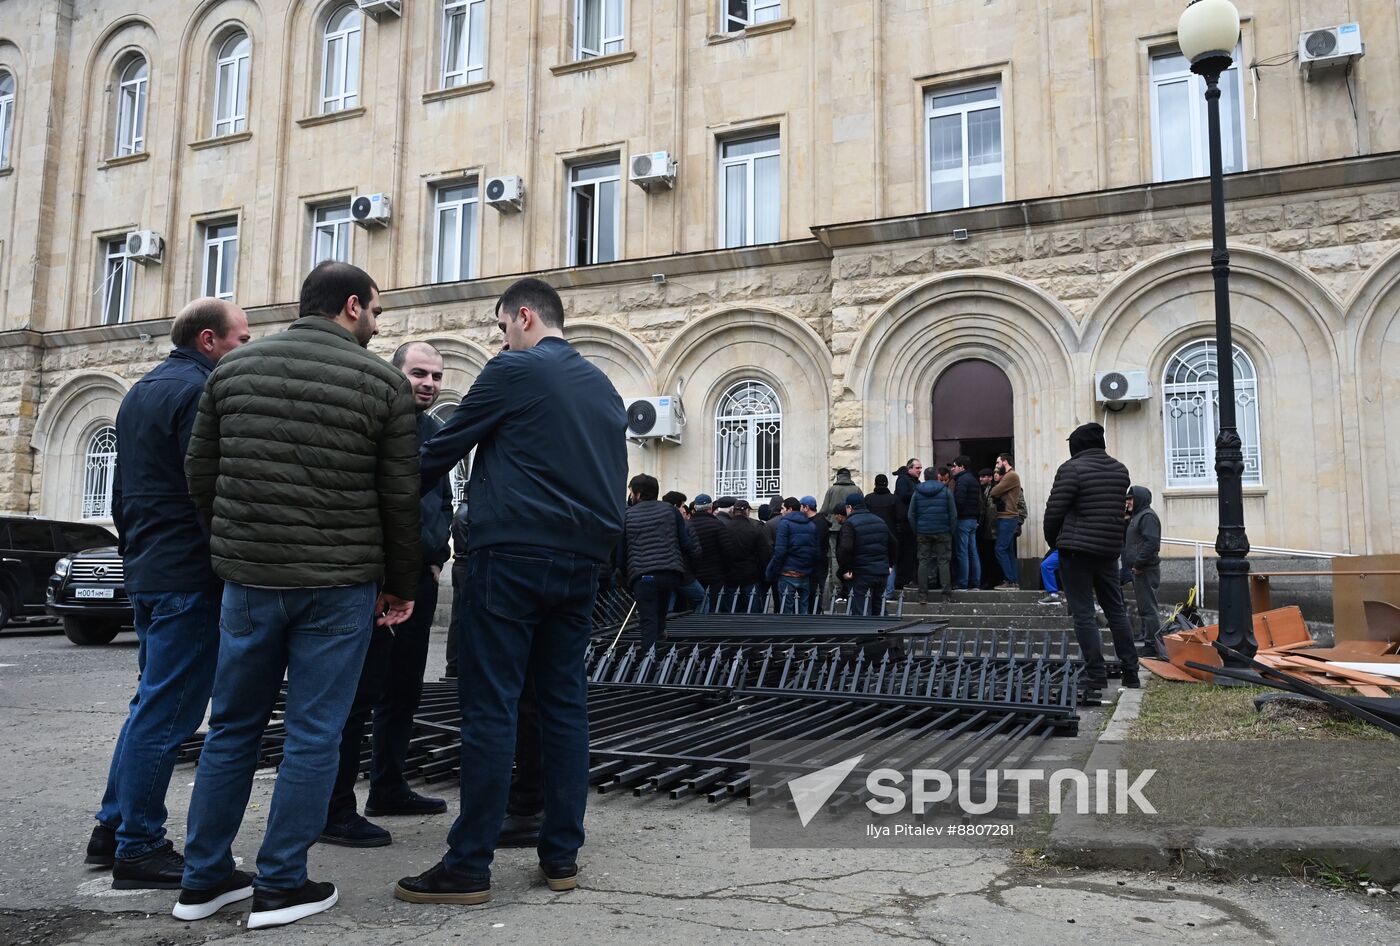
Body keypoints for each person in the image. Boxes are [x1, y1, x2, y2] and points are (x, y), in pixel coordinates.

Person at [179, 262, 420, 929]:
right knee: (314, 733)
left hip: (250, 581)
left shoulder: (232, 372)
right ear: (351, 307)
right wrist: (400, 586)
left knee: (231, 727)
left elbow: (201, 476)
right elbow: (399, 498)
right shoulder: (381, 384)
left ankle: (202, 879)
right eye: (376, 311)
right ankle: (282, 884)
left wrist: (233, 547)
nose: (377, 324)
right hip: (339, 588)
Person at [397, 277, 628, 905]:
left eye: (501, 327)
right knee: (563, 707)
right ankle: (561, 856)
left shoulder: (516, 369)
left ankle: (467, 866)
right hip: (582, 566)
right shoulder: (603, 387)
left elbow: (435, 452)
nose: (500, 339)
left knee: (490, 706)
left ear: (524, 317)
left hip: (513, 558)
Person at [86, 299, 251, 891]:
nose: (247, 349)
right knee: (170, 712)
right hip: (187, 575)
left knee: (148, 705)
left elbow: (122, 494)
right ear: (208, 341)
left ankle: (112, 828)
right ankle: (140, 846)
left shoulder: (139, 392)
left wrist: (137, 555)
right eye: (241, 339)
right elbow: (208, 488)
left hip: (150, 570)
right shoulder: (200, 393)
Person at [321, 342, 454, 849]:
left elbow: (439, 500)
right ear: (396, 373)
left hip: (417, 578)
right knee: (359, 694)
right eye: (419, 373)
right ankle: (335, 807)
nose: (428, 383)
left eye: (436, 376)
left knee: (403, 689)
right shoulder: (373, 420)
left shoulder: (435, 431)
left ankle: (389, 786)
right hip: (375, 582)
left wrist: (436, 554)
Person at [1043, 422, 1139, 690]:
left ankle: (1095, 674)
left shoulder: (1071, 469)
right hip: (1108, 552)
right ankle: (1131, 672)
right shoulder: (1121, 471)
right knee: (1116, 611)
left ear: (1077, 445)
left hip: (1076, 551)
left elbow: (1053, 512)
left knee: (1083, 613)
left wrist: (1055, 543)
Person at [618, 474, 700, 647]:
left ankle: (649, 663)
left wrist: (627, 578)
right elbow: (686, 543)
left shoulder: (628, 515)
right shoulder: (670, 510)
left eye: (632, 492)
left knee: (648, 621)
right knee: (661, 615)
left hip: (643, 576)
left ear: (638, 493)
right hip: (670, 573)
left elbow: (621, 553)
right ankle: (662, 651)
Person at [837, 493, 897, 616]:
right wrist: (890, 564)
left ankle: (866, 635)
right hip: (880, 572)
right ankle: (883, 634)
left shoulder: (850, 523)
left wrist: (845, 569)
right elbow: (894, 543)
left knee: (861, 611)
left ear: (849, 507)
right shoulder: (879, 521)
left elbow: (845, 548)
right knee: (879, 609)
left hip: (861, 573)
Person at [908, 467, 957, 604]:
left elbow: (911, 515)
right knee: (943, 562)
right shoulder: (946, 491)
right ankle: (946, 595)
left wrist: (917, 530)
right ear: (937, 477)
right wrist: (950, 531)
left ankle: (922, 595)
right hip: (943, 531)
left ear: (924, 477)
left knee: (923, 562)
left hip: (923, 531)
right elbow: (953, 515)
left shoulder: (917, 492)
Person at [765, 497, 822, 613]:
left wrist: (771, 572)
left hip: (787, 573)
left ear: (789, 509)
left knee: (787, 610)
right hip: (805, 574)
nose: (781, 512)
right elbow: (816, 552)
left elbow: (780, 552)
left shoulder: (785, 524)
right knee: (803, 609)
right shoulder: (811, 525)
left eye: (783, 508)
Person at [1122, 486, 1163, 646]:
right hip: (1139, 570)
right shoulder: (1137, 516)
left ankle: (1152, 643)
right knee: (1144, 607)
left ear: (1140, 499)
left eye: (1131, 498)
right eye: (1127, 499)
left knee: (1149, 608)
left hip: (1145, 570)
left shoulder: (1147, 517)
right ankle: (1147, 637)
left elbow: (1151, 543)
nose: (1128, 502)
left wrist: (1138, 564)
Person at [719, 499, 772, 613]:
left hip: (730, 575)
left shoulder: (724, 528)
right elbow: (764, 555)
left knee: (731, 610)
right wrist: (763, 575)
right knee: (753, 611)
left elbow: (721, 553)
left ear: (733, 511)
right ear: (747, 511)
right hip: (750, 575)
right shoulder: (755, 529)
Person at [865, 474, 905, 599]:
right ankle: (888, 592)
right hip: (890, 534)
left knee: (870, 562)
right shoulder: (893, 499)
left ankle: (872, 590)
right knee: (890, 563)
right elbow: (901, 516)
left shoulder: (868, 498)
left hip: (870, 535)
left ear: (875, 484)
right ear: (887, 484)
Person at [685, 494, 729, 608]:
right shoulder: (718, 524)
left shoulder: (688, 525)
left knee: (696, 607)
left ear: (695, 508)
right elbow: (727, 550)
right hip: (715, 575)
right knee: (714, 607)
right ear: (710, 508)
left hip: (694, 575)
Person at [989, 453, 1023, 590]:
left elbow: (994, 492)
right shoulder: (1008, 476)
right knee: (1008, 550)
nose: (996, 466)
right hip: (1006, 517)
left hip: (1008, 517)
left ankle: (1010, 581)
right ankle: (1013, 581)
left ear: (1005, 462)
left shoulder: (1011, 476)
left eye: (998, 463)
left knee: (1000, 549)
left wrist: (998, 482)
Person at [948, 456, 982, 591]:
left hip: (963, 520)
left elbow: (959, 501)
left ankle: (963, 582)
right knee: (973, 552)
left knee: (962, 552)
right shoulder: (973, 480)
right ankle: (976, 582)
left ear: (962, 467)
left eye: (954, 466)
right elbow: (979, 502)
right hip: (973, 520)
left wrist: (954, 516)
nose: (952, 469)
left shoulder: (962, 481)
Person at [892, 460, 922, 588]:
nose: (920, 470)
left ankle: (910, 579)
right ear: (909, 469)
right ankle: (903, 581)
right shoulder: (903, 480)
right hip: (905, 523)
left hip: (913, 522)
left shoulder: (916, 482)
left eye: (921, 468)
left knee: (912, 553)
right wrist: (919, 491)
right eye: (917, 468)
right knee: (906, 553)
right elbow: (904, 495)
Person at [977, 468, 1002, 589]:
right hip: (988, 530)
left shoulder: (998, 490)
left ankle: (995, 580)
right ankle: (990, 580)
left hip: (995, 529)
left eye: (983, 476)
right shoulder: (986, 490)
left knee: (995, 556)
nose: (980, 479)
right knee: (989, 557)